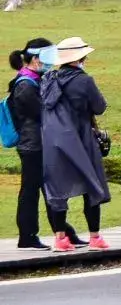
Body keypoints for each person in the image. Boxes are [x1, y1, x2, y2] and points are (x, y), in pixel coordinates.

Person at [39, 37, 109, 251]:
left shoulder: (49, 78)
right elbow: (99, 107)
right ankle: (95, 237)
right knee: (91, 184)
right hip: (81, 137)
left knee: (58, 189)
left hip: (53, 141)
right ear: (81, 57)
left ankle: (61, 238)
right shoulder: (84, 81)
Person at [8, 39, 51, 249]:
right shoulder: (26, 85)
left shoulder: (32, 79)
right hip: (32, 145)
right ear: (35, 59)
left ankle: (62, 231)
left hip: (35, 143)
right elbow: (42, 112)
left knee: (43, 188)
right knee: (31, 190)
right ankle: (27, 235)